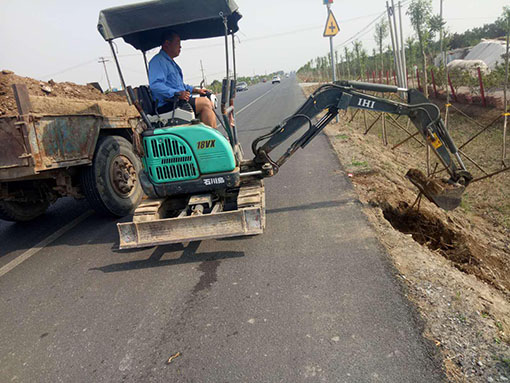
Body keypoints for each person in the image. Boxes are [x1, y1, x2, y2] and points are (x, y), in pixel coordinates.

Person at [149, 31, 217, 129]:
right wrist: (177, 93)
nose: (180, 47)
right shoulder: (158, 61)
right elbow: (155, 85)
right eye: (177, 43)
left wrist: (196, 90)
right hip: (168, 104)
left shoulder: (171, 63)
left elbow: (180, 85)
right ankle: (212, 142)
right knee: (205, 103)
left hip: (176, 101)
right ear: (167, 44)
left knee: (208, 99)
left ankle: (204, 138)